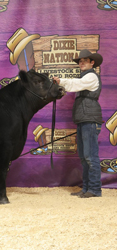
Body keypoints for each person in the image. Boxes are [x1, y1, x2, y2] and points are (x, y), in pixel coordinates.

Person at [53, 49, 103, 198]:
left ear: (92, 63)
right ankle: (87, 188)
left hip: (89, 120)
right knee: (84, 157)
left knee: (90, 156)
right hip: (83, 120)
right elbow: (76, 84)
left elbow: (76, 84)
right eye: (80, 61)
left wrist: (61, 81)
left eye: (85, 61)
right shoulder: (85, 78)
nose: (81, 63)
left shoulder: (91, 77)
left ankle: (94, 189)